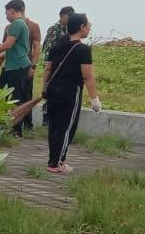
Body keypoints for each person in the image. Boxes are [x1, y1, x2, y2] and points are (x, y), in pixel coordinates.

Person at [37, 12, 101, 173]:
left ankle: (53, 160)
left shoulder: (57, 46)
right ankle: (57, 163)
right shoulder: (83, 49)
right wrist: (94, 99)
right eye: (88, 25)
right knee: (66, 128)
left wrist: (44, 88)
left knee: (54, 127)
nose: (89, 28)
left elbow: (48, 69)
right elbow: (87, 76)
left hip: (53, 90)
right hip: (70, 92)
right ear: (81, 27)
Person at [0, 0, 35, 135]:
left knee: (16, 97)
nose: (6, 16)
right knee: (1, 94)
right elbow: (10, 49)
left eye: (6, 13)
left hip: (17, 66)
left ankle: (16, 130)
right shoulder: (22, 24)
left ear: (12, 11)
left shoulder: (16, 24)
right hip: (12, 66)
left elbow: (7, 45)